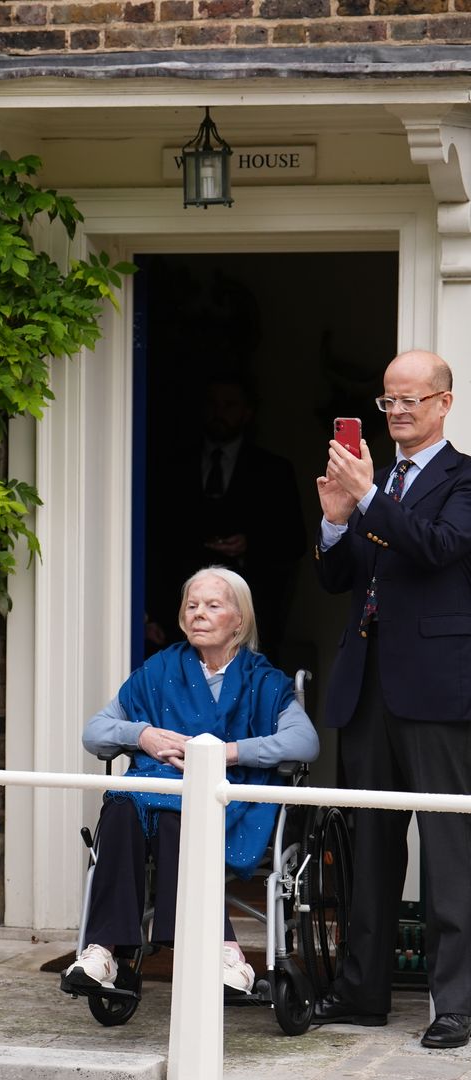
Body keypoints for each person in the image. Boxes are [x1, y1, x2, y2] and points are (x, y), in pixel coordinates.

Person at [313, 348, 471, 1049]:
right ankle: (360, 994)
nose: (398, 411)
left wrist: (373, 499)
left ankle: (456, 1006)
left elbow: (437, 548)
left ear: (443, 402)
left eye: (410, 399)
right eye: (388, 401)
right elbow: (339, 579)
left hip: (439, 691)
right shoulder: (371, 485)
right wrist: (336, 519)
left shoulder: (465, 480)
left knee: (449, 853)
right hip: (368, 684)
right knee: (369, 848)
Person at [64, 567, 319, 995]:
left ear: (239, 619)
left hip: (231, 798)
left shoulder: (264, 680)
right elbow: (95, 732)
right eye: (191, 605)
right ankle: (103, 951)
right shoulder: (160, 669)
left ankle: (221, 948)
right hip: (153, 791)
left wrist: (229, 752)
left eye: (212, 606)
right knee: (123, 802)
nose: (198, 614)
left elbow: (304, 742)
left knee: (173, 813)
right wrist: (140, 734)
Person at [146, 374, 307, 665]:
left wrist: (250, 545)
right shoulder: (172, 465)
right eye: (213, 404)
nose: (219, 413)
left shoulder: (273, 470)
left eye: (229, 405)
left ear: (247, 412)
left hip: (250, 614)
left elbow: (293, 542)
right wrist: (152, 611)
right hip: (178, 616)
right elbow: (154, 538)